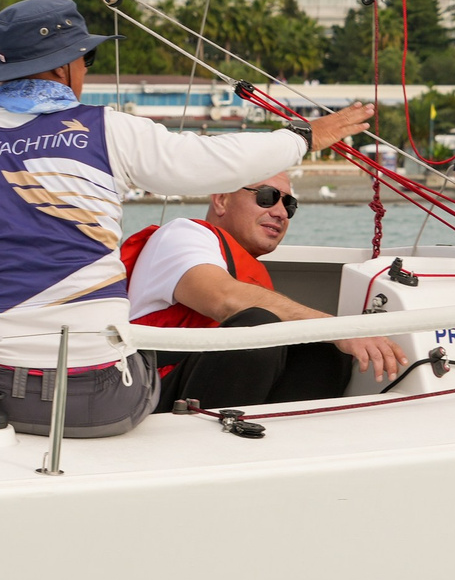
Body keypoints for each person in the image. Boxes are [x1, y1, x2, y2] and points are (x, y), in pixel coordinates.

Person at [0, 0, 374, 437]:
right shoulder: (104, 130)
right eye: (85, 59)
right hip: (101, 402)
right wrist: (304, 136)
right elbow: (207, 161)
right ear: (62, 69)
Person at [121, 172, 407, 411]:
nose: (281, 212)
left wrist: (332, 335)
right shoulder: (182, 235)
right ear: (221, 200)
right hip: (150, 396)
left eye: (290, 205)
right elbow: (224, 298)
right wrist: (339, 329)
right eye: (266, 197)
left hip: (205, 392)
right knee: (258, 326)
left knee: (322, 347)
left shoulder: (244, 265)